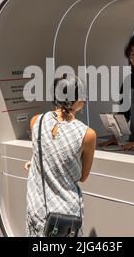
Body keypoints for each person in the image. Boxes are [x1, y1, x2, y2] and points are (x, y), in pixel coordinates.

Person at [24, 75, 97, 237]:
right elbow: (83, 176)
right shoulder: (87, 134)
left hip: (37, 207)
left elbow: (45, 151)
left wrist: (35, 163)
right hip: (65, 215)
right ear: (77, 100)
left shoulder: (36, 121)